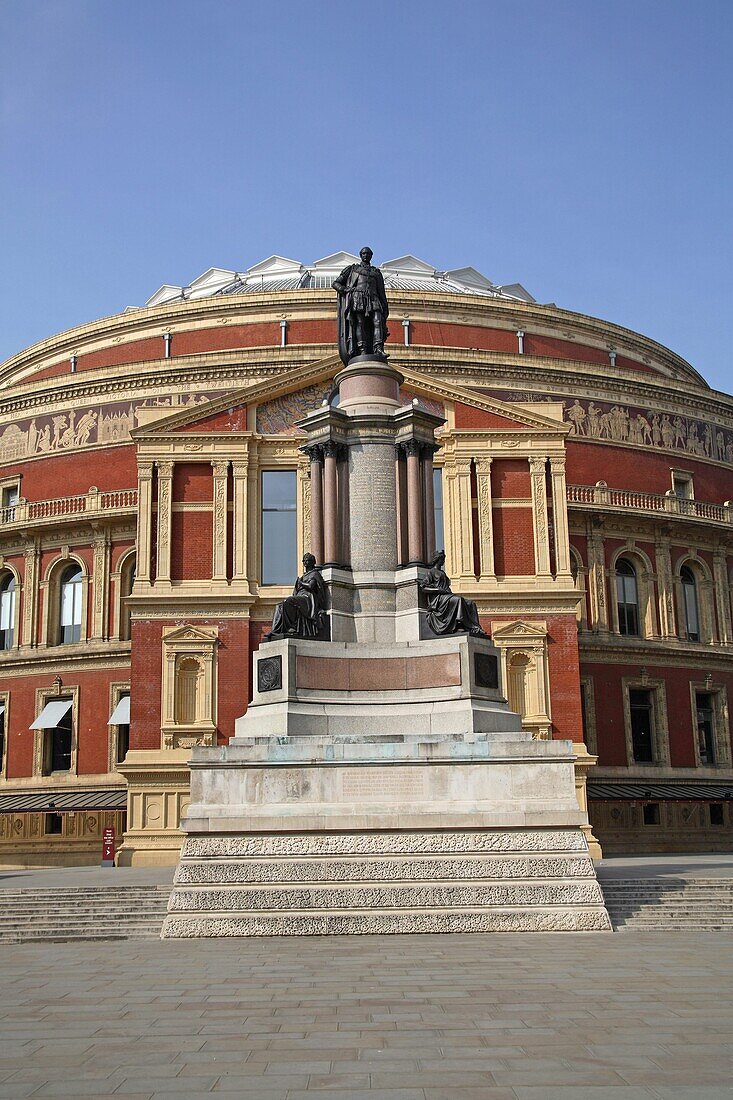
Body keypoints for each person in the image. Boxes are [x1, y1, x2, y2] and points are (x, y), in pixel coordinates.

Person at [333, 246, 389, 363]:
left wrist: (385, 307)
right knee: (360, 323)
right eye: (363, 253)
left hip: (373, 298)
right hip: (358, 298)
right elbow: (336, 283)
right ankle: (362, 349)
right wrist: (345, 290)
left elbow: (381, 292)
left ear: (371, 256)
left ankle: (378, 348)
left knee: (377, 321)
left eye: (368, 254)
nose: (365, 255)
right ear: (360, 255)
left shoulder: (376, 273)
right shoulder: (353, 269)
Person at [419, 551, 487, 637]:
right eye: (442, 559)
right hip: (438, 599)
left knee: (471, 603)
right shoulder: (431, 572)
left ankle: (475, 628)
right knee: (459, 600)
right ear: (437, 560)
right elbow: (423, 588)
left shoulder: (442, 573)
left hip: (447, 596)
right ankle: (459, 624)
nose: (443, 561)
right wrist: (438, 590)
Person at [264, 553, 328, 640]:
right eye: (304, 561)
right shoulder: (304, 576)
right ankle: (276, 630)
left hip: (308, 598)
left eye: (307, 560)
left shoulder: (314, 574)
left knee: (288, 601)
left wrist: (301, 583)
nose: (305, 562)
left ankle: (292, 627)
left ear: (312, 562)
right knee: (279, 605)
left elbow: (310, 586)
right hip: (300, 596)